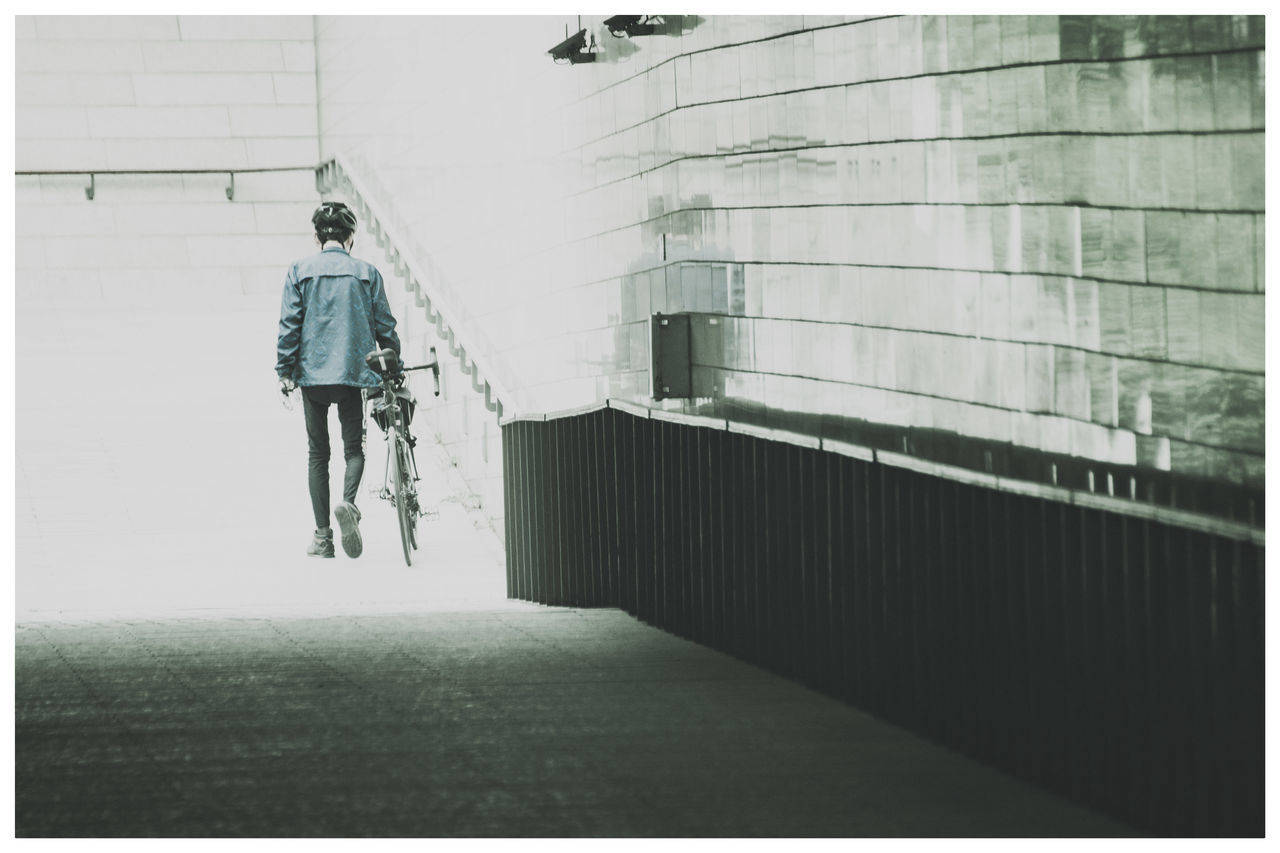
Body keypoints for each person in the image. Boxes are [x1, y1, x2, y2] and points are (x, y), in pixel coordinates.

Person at [276, 201, 401, 559]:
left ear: (317, 237)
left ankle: (323, 538)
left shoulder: (299, 270)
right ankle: (349, 505)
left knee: (318, 454)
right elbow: (385, 326)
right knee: (353, 451)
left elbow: (290, 325)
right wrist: (393, 364)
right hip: (353, 373)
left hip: (313, 376)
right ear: (350, 238)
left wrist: (285, 370)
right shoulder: (366, 272)